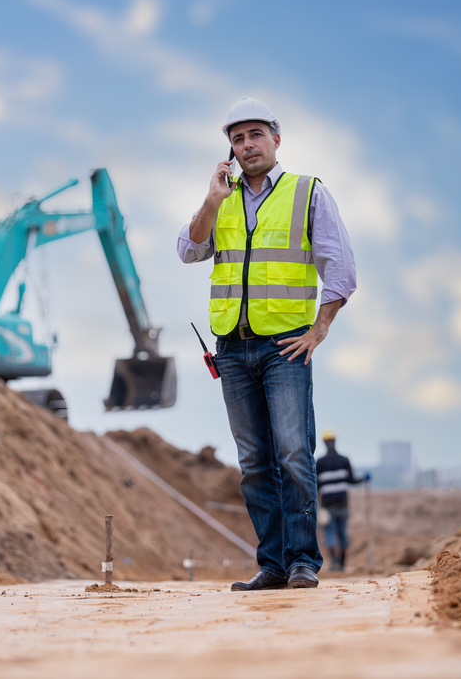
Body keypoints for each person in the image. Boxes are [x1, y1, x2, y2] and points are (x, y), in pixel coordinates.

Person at [177, 98, 357, 591]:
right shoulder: (223, 199)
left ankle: (302, 561)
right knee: (254, 461)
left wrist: (318, 330)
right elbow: (189, 249)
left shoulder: (307, 193)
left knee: (294, 454)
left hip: (285, 347)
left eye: (255, 134)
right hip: (231, 349)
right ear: (229, 151)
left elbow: (340, 269)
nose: (247, 144)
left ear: (276, 140)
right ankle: (273, 565)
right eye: (237, 139)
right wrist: (212, 199)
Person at [315, 429, 369, 572]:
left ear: (324, 443)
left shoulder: (320, 463)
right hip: (342, 504)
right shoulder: (344, 460)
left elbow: (316, 486)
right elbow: (351, 480)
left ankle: (334, 565)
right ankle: (342, 564)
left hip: (327, 505)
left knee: (329, 533)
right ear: (334, 441)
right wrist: (364, 478)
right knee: (342, 533)